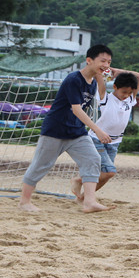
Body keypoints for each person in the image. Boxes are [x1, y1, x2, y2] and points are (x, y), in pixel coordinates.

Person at [18, 44, 116, 213]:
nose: (106, 65)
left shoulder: (93, 82)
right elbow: (76, 109)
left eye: (109, 62)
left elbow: (105, 79)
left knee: (93, 159)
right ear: (89, 60)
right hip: (55, 131)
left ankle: (89, 202)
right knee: (41, 165)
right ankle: (24, 202)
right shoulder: (73, 79)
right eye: (103, 61)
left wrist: (105, 71)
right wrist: (97, 129)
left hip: (76, 132)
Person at [70, 68, 139, 200]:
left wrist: (116, 71)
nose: (126, 95)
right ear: (115, 87)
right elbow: (98, 74)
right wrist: (108, 70)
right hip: (97, 139)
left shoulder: (130, 100)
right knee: (109, 172)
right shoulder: (105, 98)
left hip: (114, 143)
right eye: (124, 92)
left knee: (105, 174)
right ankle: (79, 180)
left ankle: (83, 197)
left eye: (129, 92)